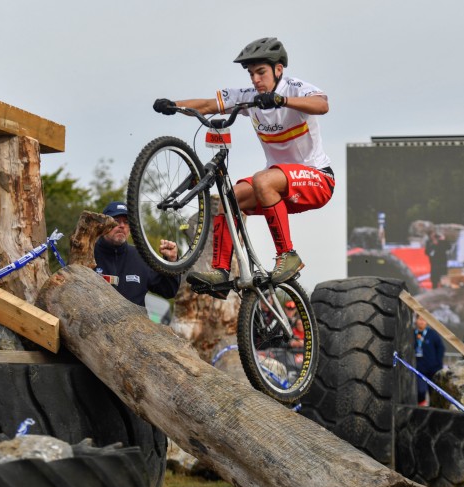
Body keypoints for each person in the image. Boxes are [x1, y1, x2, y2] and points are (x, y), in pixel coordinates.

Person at [153, 37, 335, 292]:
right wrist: (174, 106)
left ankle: (287, 255)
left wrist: (281, 101)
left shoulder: (295, 88)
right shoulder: (251, 97)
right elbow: (207, 105)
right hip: (277, 185)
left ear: (278, 69)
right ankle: (221, 272)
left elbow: (322, 105)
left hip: (318, 179)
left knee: (263, 178)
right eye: (251, 74)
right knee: (231, 197)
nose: (256, 80)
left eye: (261, 72)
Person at [94, 201, 181, 307]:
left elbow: (169, 291)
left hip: (135, 322)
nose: (122, 226)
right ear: (102, 225)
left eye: (126, 222)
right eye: (116, 221)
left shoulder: (141, 256)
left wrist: (171, 261)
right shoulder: (87, 254)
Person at [413, 314, 445, 405]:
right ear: (416, 320)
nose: (422, 321)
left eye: (424, 319)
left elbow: (441, 349)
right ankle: (420, 409)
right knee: (421, 391)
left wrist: (438, 364)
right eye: (420, 319)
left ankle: (433, 410)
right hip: (418, 368)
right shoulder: (412, 333)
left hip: (432, 369)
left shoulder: (433, 334)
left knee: (433, 392)